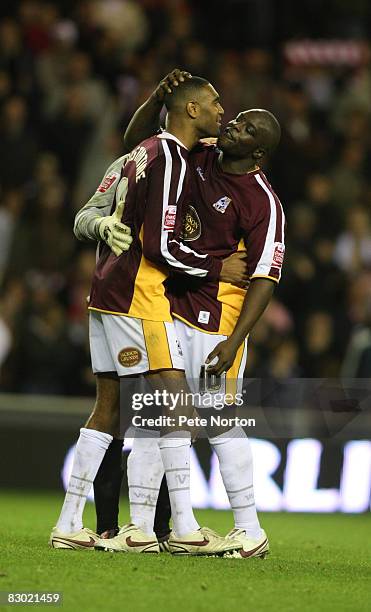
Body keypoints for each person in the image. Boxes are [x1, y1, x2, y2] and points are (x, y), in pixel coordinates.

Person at [88, 70, 284, 558]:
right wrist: (158, 96)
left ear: (258, 151)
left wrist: (236, 340)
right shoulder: (197, 153)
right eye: (236, 120)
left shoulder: (263, 201)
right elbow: (137, 148)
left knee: (219, 420)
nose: (234, 126)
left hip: (220, 319)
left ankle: (250, 529)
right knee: (158, 418)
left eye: (247, 130)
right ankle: (149, 528)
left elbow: (264, 276)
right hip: (174, 303)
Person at [50, 74, 247, 557]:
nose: (223, 109)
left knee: (113, 410)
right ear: (192, 111)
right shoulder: (172, 159)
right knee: (174, 407)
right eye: (215, 102)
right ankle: (176, 529)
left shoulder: (144, 152)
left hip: (106, 290)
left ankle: (71, 522)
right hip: (139, 295)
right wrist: (214, 267)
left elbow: (132, 142)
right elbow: (160, 244)